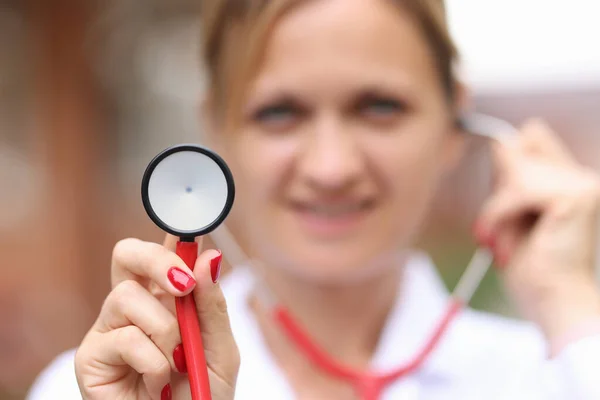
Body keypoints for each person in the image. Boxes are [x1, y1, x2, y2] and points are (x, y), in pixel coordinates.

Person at [27, 0, 600, 399]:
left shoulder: (560, 372)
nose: (331, 167)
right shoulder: (100, 387)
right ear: (217, 131)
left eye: (379, 107)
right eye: (280, 113)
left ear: (453, 125)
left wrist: (571, 303)